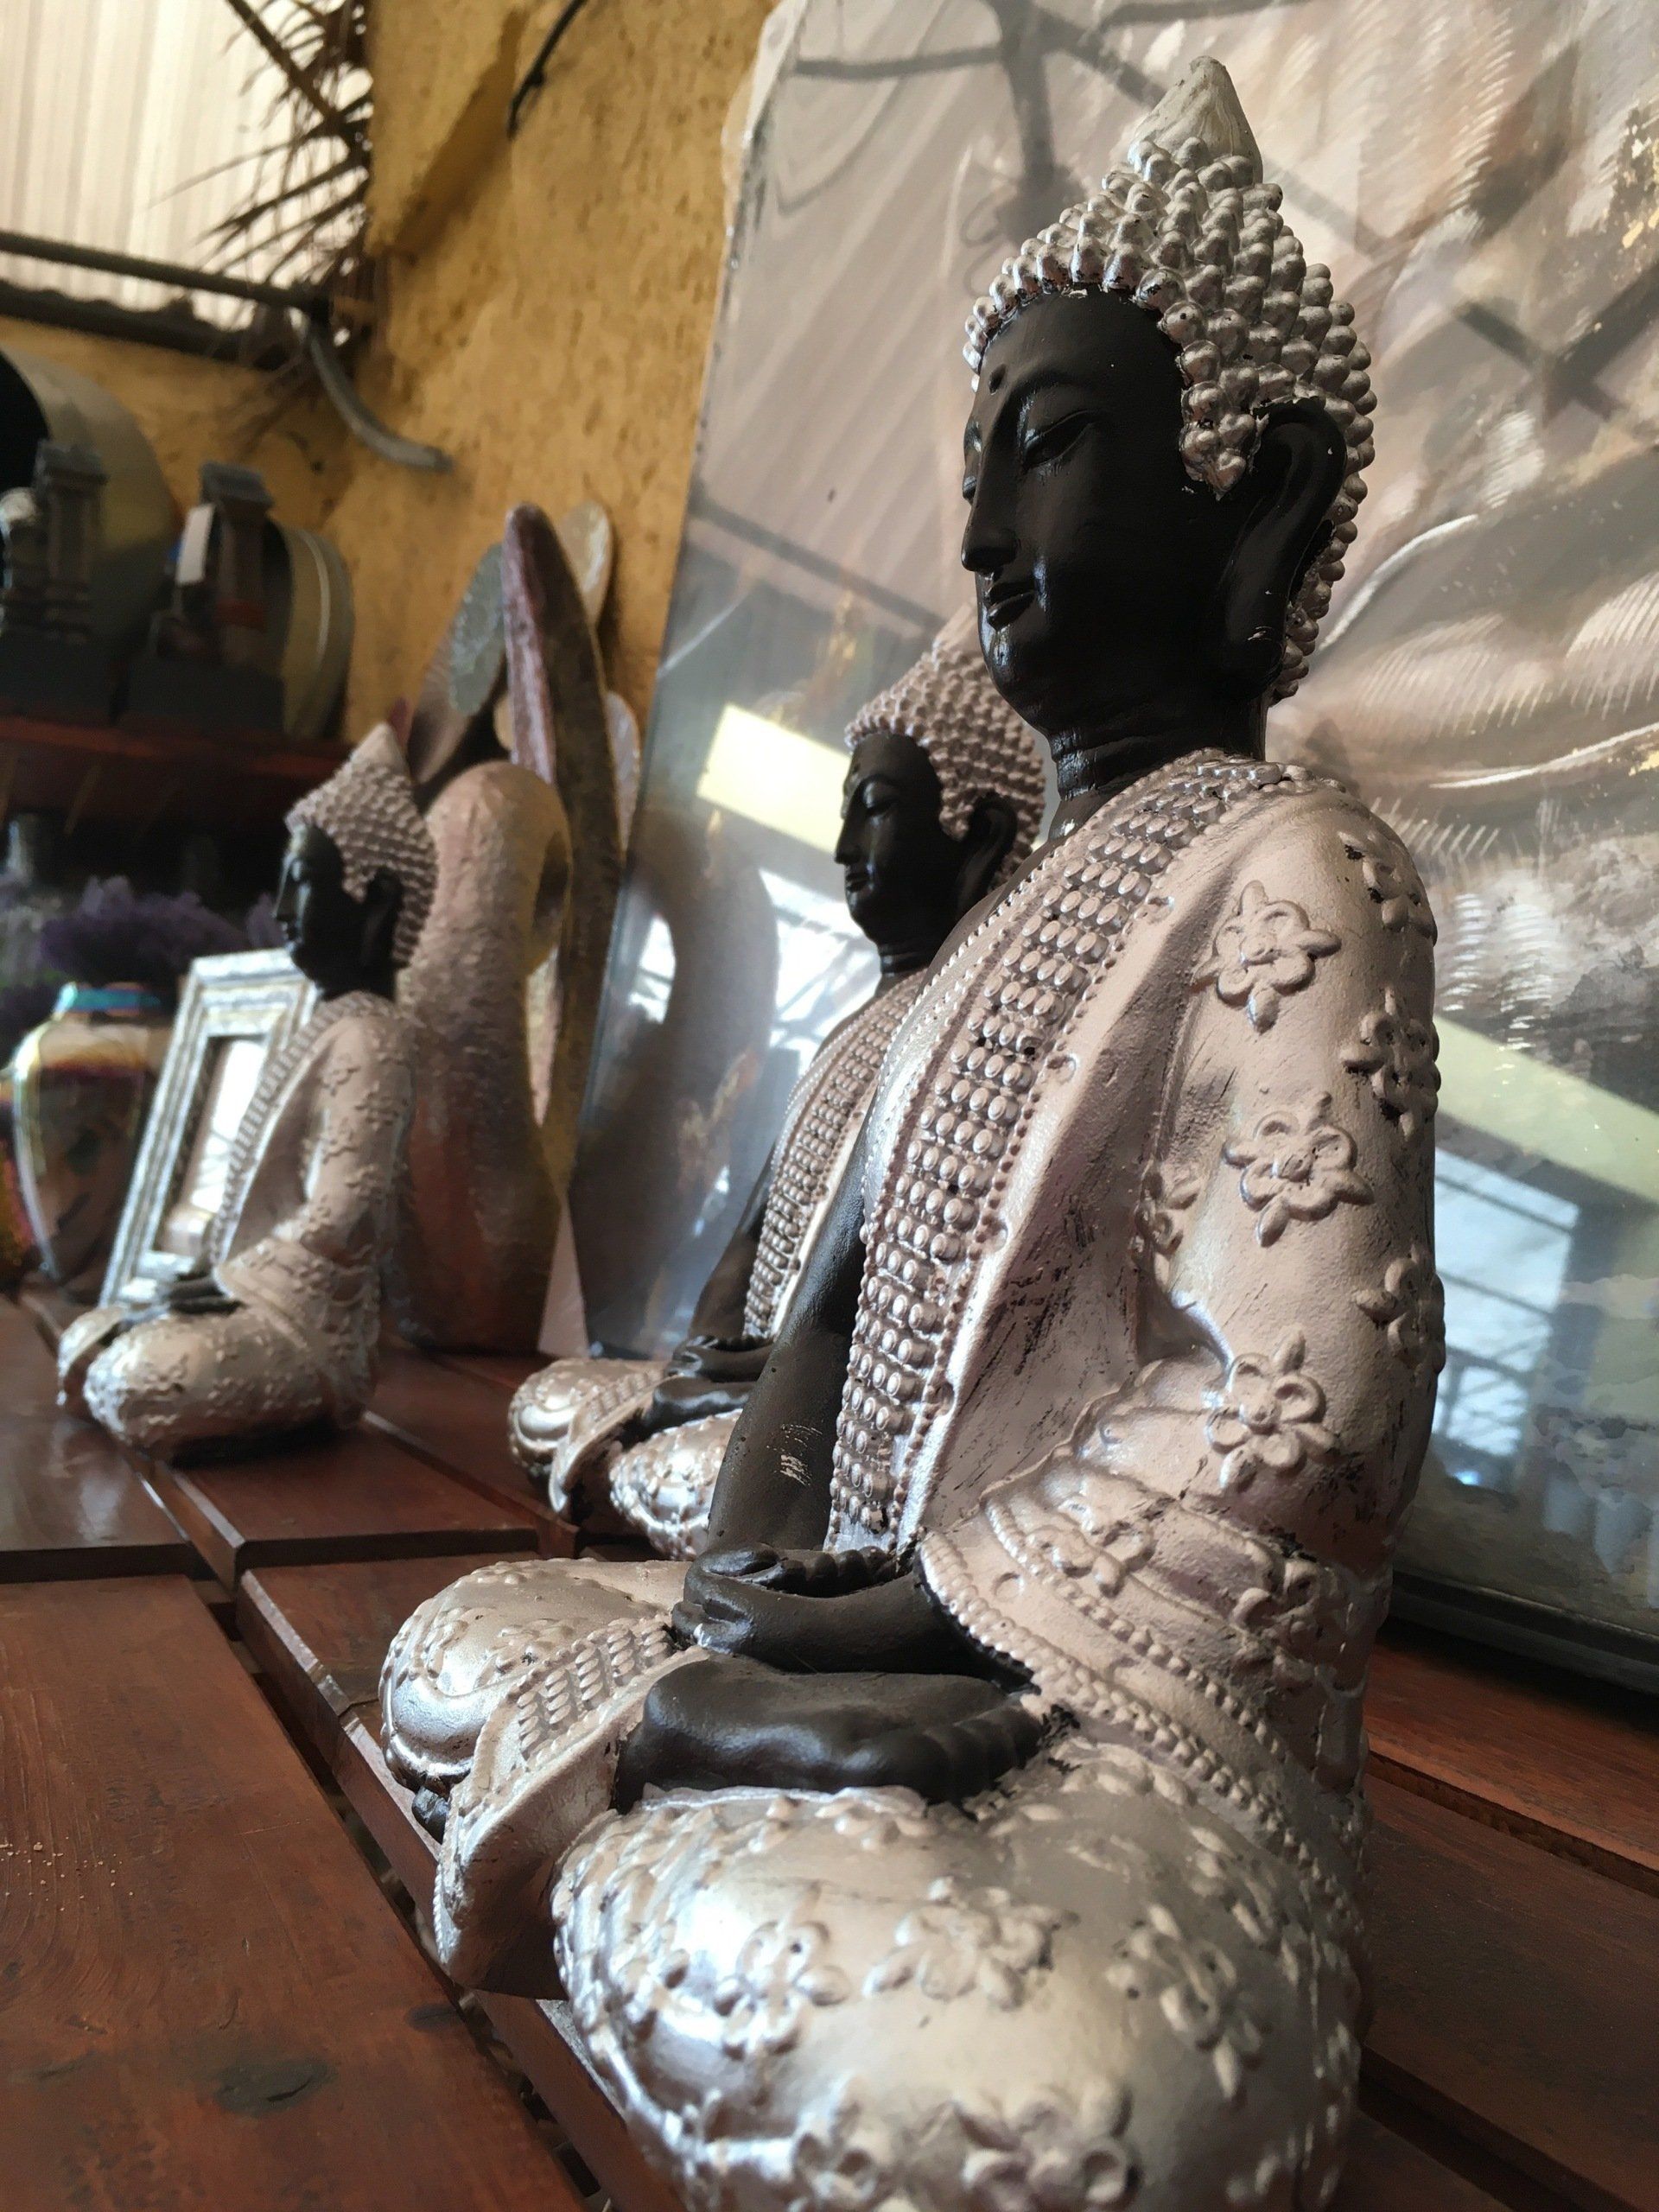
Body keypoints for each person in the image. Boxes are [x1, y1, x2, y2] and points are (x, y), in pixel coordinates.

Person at [393, 60, 1440, 2211]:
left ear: (1251, 504)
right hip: (877, 1624)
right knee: (453, 1648)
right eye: (977, 469)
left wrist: (931, 1617)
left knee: (1060, 2100)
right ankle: (710, 1751)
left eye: (1043, 449)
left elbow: (1299, 1416)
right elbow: (825, 1326)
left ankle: (690, 1791)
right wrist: (757, 1605)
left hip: (1133, 1708)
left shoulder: (1302, 869)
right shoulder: (976, 946)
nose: (975, 537)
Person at [504, 613, 1047, 1553]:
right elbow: (752, 1230)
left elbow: (914, 1312)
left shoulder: (980, 1042)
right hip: (745, 1391)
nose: (844, 845)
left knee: (703, 1474)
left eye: (876, 806)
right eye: (848, 808)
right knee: (546, 1402)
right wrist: (699, 1362)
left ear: (980, 836)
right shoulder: (849, 1029)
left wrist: (770, 1384)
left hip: (830, 1424)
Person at [58, 728, 436, 1460]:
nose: (285, 905)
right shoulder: (326, 1023)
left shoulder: (373, 1037)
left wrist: (233, 1281)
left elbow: (345, 1215)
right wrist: (210, 1277)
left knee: (144, 1379)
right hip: (257, 1299)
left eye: (305, 882)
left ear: (378, 903)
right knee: (88, 1334)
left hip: (310, 1332)